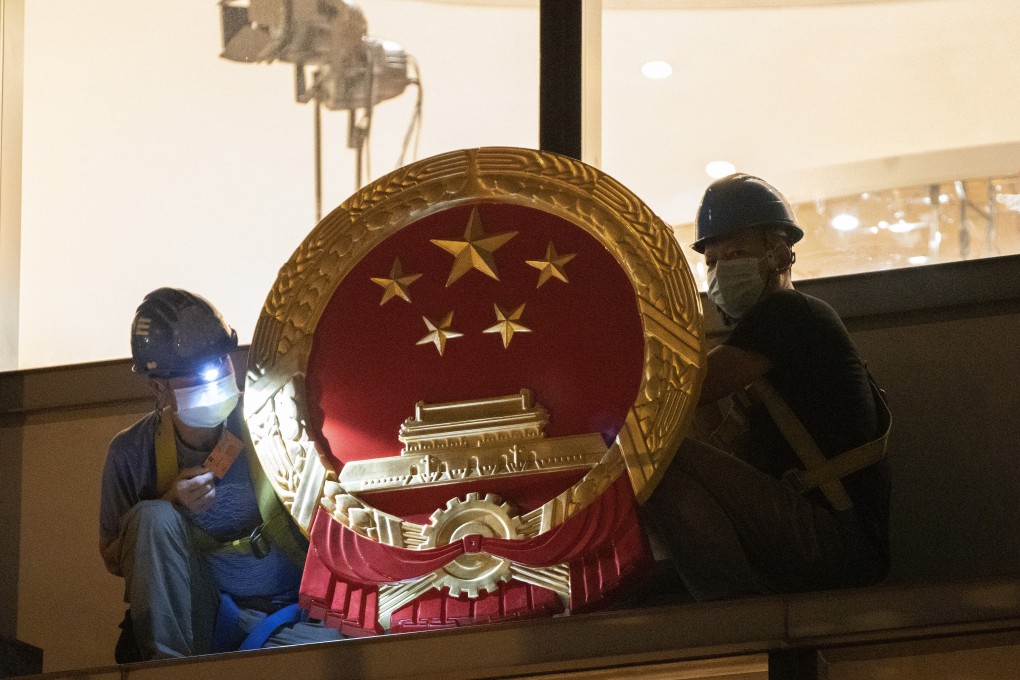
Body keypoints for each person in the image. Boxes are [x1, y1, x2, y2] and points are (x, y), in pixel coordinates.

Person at [644, 174, 891, 601]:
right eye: (712, 261)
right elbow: (706, 431)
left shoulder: (790, 313)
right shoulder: (758, 341)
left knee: (656, 458)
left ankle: (732, 618)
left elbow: (690, 388)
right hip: (820, 529)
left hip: (835, 535)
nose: (721, 270)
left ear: (779, 255)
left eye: (736, 253)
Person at [99, 288, 341, 660]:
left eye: (221, 363)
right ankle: (169, 669)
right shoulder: (132, 452)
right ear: (158, 385)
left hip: (291, 613)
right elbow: (115, 557)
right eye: (196, 373)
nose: (214, 379)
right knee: (153, 516)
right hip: (204, 617)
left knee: (344, 655)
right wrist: (172, 502)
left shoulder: (274, 423)